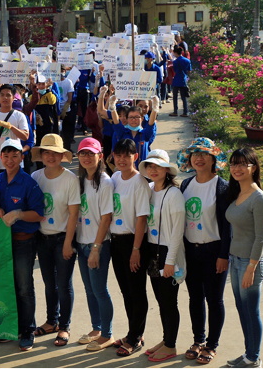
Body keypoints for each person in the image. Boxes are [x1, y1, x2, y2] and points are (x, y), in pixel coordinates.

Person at [176, 138, 231, 365]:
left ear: (214, 159)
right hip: (191, 250)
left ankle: (211, 344)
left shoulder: (223, 187)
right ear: (188, 159)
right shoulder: (186, 185)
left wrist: (223, 255)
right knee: (195, 298)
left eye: (204, 154)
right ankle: (198, 340)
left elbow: (228, 227)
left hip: (213, 251)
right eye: (194, 154)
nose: (199, 158)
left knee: (214, 299)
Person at [0, 139, 45, 351]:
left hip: (24, 242)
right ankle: (13, 327)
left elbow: (39, 215)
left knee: (24, 288)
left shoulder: (29, 183)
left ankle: (28, 330)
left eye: (14, 155)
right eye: (6, 156)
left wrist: (18, 214)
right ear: (0, 158)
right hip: (4, 244)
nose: (10, 160)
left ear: (21, 158)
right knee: (9, 286)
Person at [29, 134, 79, 347]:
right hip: (42, 238)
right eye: (46, 152)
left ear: (62, 156)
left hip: (62, 239)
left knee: (64, 284)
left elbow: (74, 214)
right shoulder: (35, 176)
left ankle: (65, 326)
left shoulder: (70, 179)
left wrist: (68, 242)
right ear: (41, 156)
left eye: (55, 153)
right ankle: (52, 321)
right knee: (50, 284)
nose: (50, 157)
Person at [138, 150, 186, 363]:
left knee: (169, 301)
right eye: (150, 166)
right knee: (160, 300)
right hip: (151, 250)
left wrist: (170, 261)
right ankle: (166, 340)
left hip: (167, 252)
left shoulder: (174, 194)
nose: (153, 170)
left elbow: (177, 232)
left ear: (167, 170)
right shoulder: (148, 189)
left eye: (158, 166)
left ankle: (171, 345)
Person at [225, 148, 263, 368]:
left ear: (254, 167)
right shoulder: (237, 193)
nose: (237, 168)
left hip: (250, 263)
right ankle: (248, 353)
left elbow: (261, 238)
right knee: (243, 310)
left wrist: (251, 268)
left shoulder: (259, 198)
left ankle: (254, 358)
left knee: (251, 311)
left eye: (243, 164)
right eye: (234, 164)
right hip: (235, 261)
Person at [109, 139, 152, 357]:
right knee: (126, 291)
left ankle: (135, 337)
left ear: (136, 156)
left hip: (133, 242)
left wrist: (136, 249)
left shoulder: (140, 183)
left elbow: (142, 218)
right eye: (118, 155)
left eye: (127, 155)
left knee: (136, 291)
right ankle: (133, 332)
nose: (122, 159)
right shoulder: (115, 177)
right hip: (116, 241)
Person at [74, 138, 116, 351]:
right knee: (89, 290)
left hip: (97, 244)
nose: (86, 157)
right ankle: (96, 328)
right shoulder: (80, 180)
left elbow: (106, 217)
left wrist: (96, 248)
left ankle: (107, 334)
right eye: (82, 153)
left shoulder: (105, 181)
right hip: (81, 242)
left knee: (99, 290)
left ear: (100, 156)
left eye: (91, 153)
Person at [0, 82, 30, 172]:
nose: (5, 98)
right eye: (2, 95)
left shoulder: (19, 115)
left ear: (13, 98)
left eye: (8, 95)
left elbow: (25, 136)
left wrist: (10, 126)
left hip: (15, 161)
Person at [108, 96, 159, 169]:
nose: (133, 120)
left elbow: (151, 124)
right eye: (131, 117)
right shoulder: (122, 132)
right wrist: (112, 107)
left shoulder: (145, 133)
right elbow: (116, 122)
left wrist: (155, 108)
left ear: (142, 118)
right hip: (125, 170)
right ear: (127, 119)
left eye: (137, 117)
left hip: (143, 171)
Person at [169, 46, 191, 117]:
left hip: (176, 81)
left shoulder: (175, 62)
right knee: (183, 97)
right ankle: (185, 112)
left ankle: (175, 111)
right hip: (183, 80)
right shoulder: (187, 60)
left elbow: (174, 71)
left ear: (176, 53)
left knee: (175, 97)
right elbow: (189, 70)